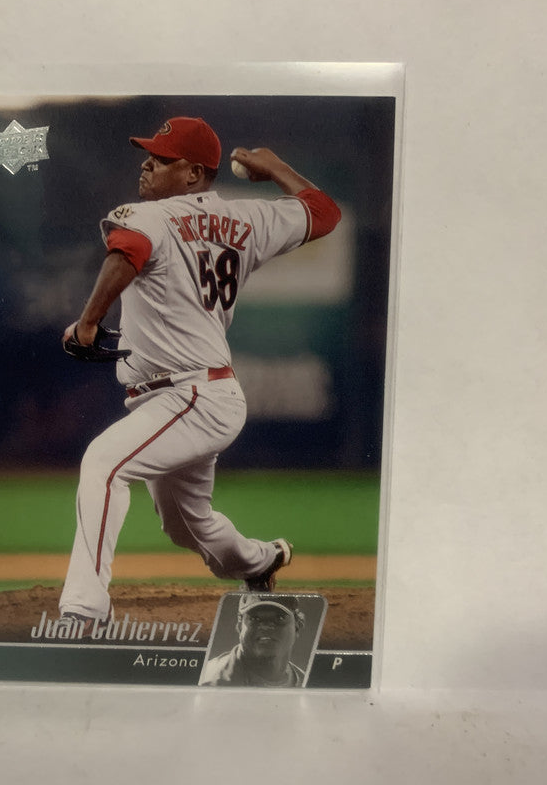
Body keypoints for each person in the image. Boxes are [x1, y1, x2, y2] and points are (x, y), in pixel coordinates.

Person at [57, 116, 341, 626]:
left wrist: (88, 322)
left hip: (191, 395)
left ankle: (84, 608)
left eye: (163, 158)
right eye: (149, 155)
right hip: (197, 396)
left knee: (103, 463)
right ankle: (261, 560)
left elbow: (128, 251)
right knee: (187, 525)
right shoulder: (248, 217)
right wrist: (275, 167)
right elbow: (324, 213)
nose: (147, 164)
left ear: (193, 174)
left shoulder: (151, 216)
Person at [198, 594, 308, 687]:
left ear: (297, 627)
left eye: (280, 618)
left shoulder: (306, 682)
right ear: (240, 626)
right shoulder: (210, 683)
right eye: (254, 618)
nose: (265, 626)